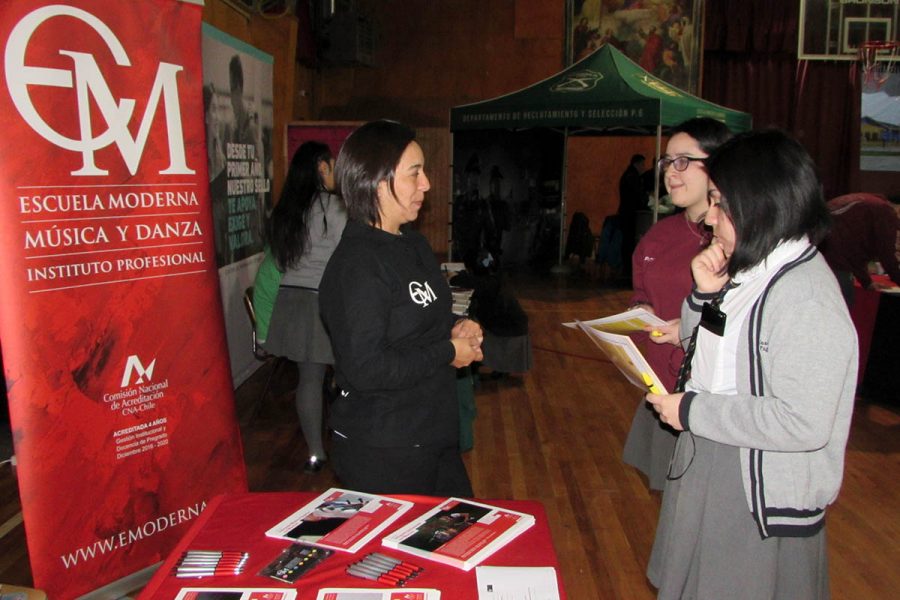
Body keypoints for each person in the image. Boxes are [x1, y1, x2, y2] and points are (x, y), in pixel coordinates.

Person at [645, 129, 857, 598]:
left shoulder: (806, 295)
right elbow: (710, 353)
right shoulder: (755, 269)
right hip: (718, 459)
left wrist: (692, 411)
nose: (711, 218)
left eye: (721, 202)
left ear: (759, 201)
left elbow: (802, 422)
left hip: (757, 494)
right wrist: (703, 295)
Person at [319, 120, 483, 496]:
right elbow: (366, 369)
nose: (426, 183)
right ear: (378, 181)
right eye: (415, 173)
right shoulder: (356, 266)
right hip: (385, 448)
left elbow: (425, 319)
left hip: (430, 433)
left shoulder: (413, 245)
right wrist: (447, 352)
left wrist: (458, 326)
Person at [622, 117, 732, 491]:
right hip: (663, 392)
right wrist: (641, 315)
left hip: (712, 406)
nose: (670, 172)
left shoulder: (737, 242)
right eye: (667, 162)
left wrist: (685, 330)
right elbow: (641, 296)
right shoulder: (657, 237)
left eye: (683, 161)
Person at [260, 141, 347, 473]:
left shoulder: (284, 211)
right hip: (325, 301)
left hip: (291, 301)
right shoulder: (337, 209)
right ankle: (344, 441)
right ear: (322, 167)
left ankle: (315, 454)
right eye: (333, 164)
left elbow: (277, 264)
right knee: (348, 376)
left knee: (309, 379)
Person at [818, 192, 900, 306]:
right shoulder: (884, 211)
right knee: (844, 307)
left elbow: (853, 245)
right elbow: (886, 252)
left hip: (818, 255)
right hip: (835, 264)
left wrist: (866, 282)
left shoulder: (867, 201)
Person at [618, 153, 648, 277]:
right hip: (630, 214)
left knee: (627, 243)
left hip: (626, 213)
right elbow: (637, 196)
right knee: (630, 243)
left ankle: (627, 272)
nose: (644, 167)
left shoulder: (629, 175)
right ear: (638, 163)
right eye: (643, 164)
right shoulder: (632, 176)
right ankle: (629, 273)